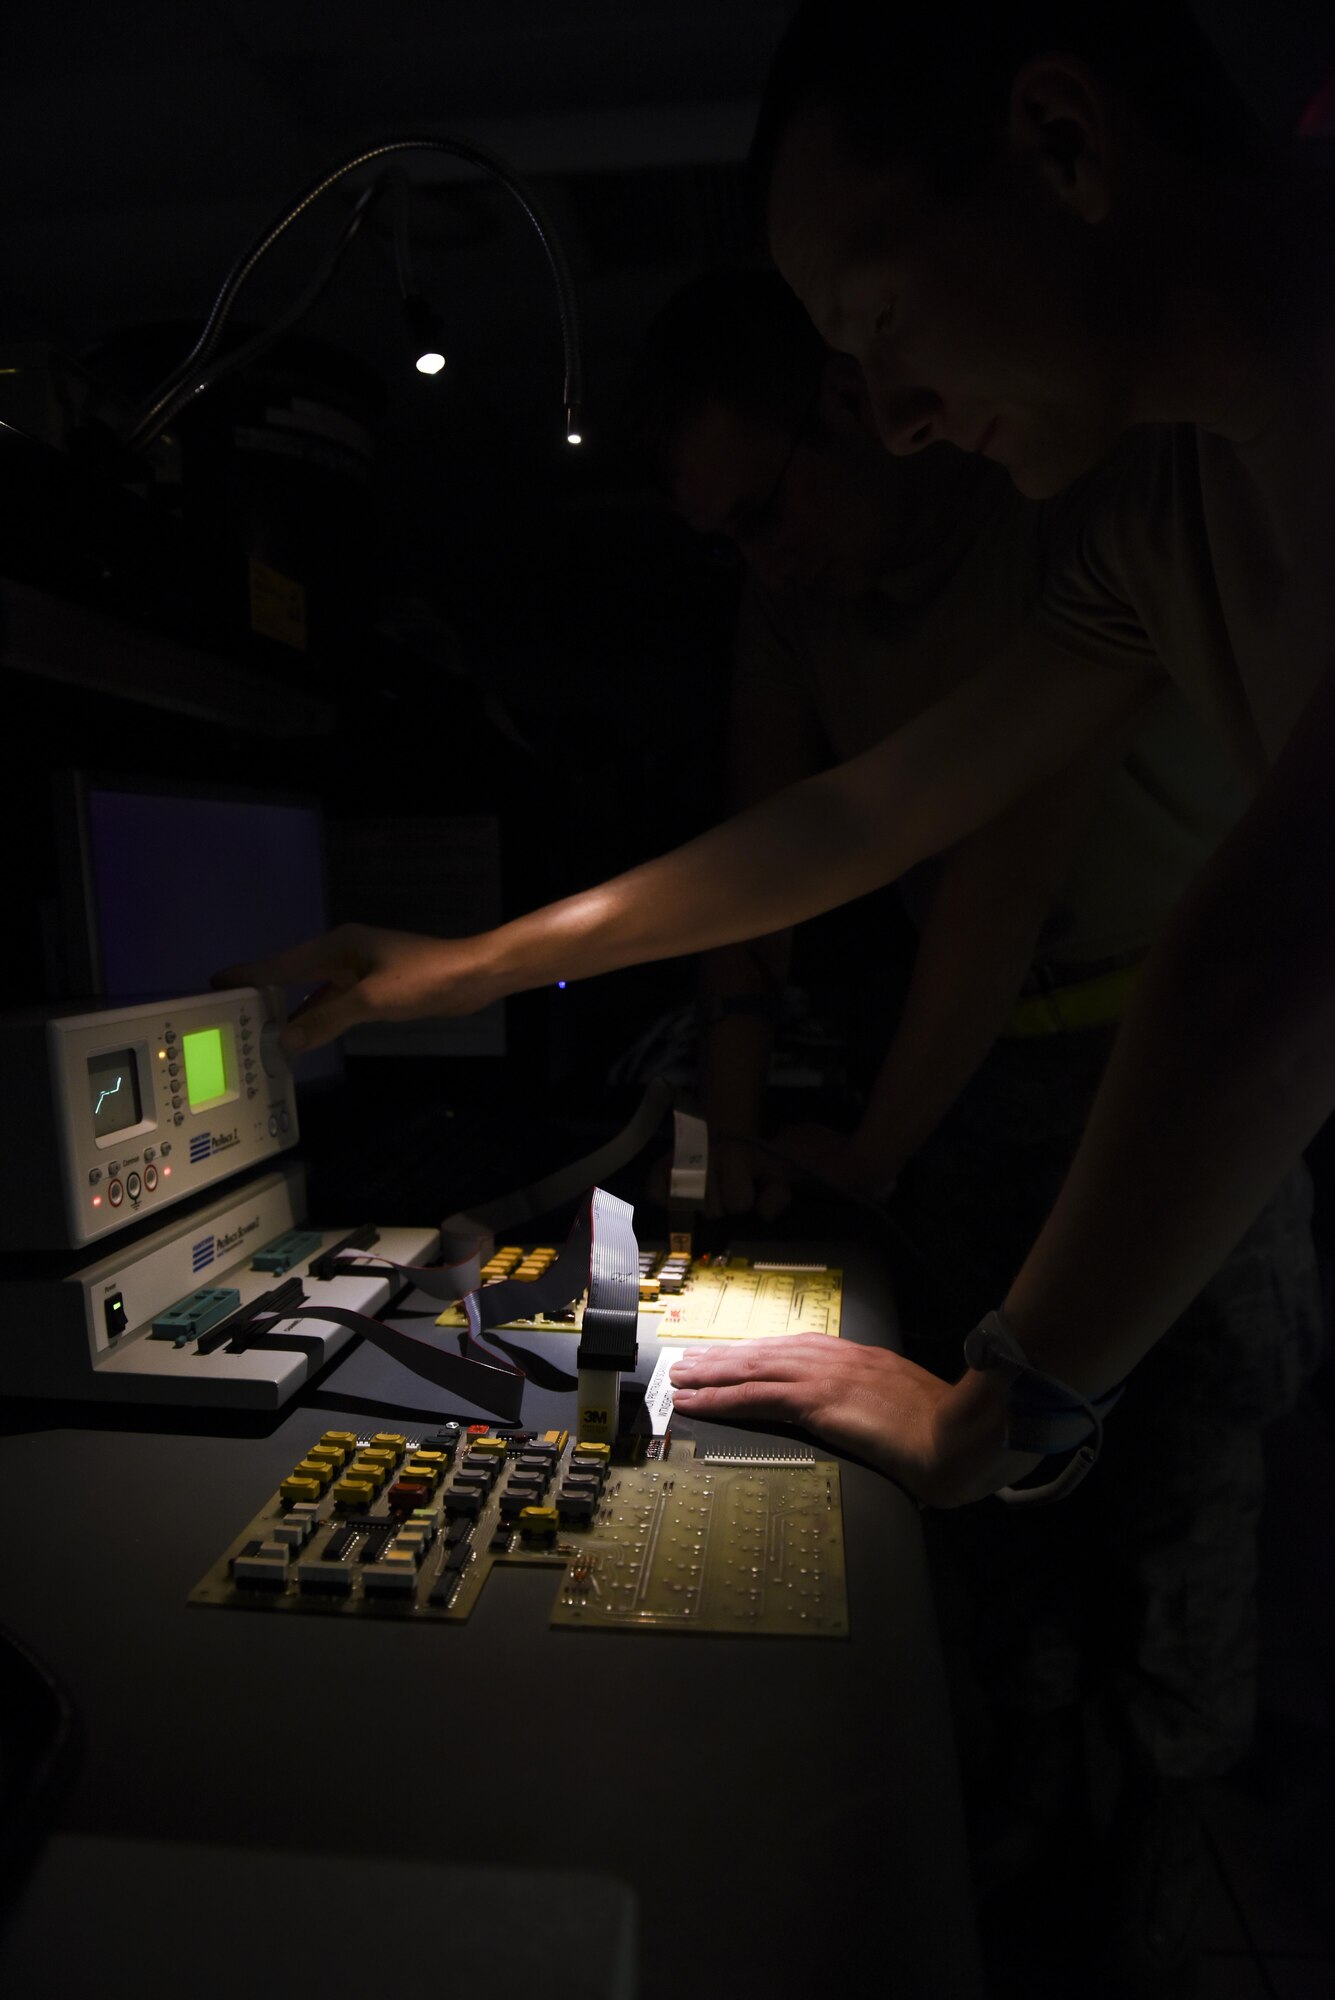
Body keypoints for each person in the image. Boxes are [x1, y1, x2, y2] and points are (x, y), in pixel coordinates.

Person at [223, 5, 1333, 1982]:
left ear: (1060, 136)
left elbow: (1265, 953)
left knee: (1187, 1685)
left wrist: (1005, 1403)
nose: (891, 413)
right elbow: (859, 816)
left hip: (1192, 1119)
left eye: (884, 319)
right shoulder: (1157, 516)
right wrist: (462, 962)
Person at [626, 268, 1247, 1244]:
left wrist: (874, 1150)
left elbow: (1000, 884)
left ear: (846, 399)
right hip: (960, 1058)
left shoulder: (1057, 502)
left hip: (1178, 1038)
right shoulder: (791, 603)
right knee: (958, 1356)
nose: (766, 561)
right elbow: (759, 878)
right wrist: (721, 1153)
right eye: (729, 540)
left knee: (1205, 1376)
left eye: (763, 513)